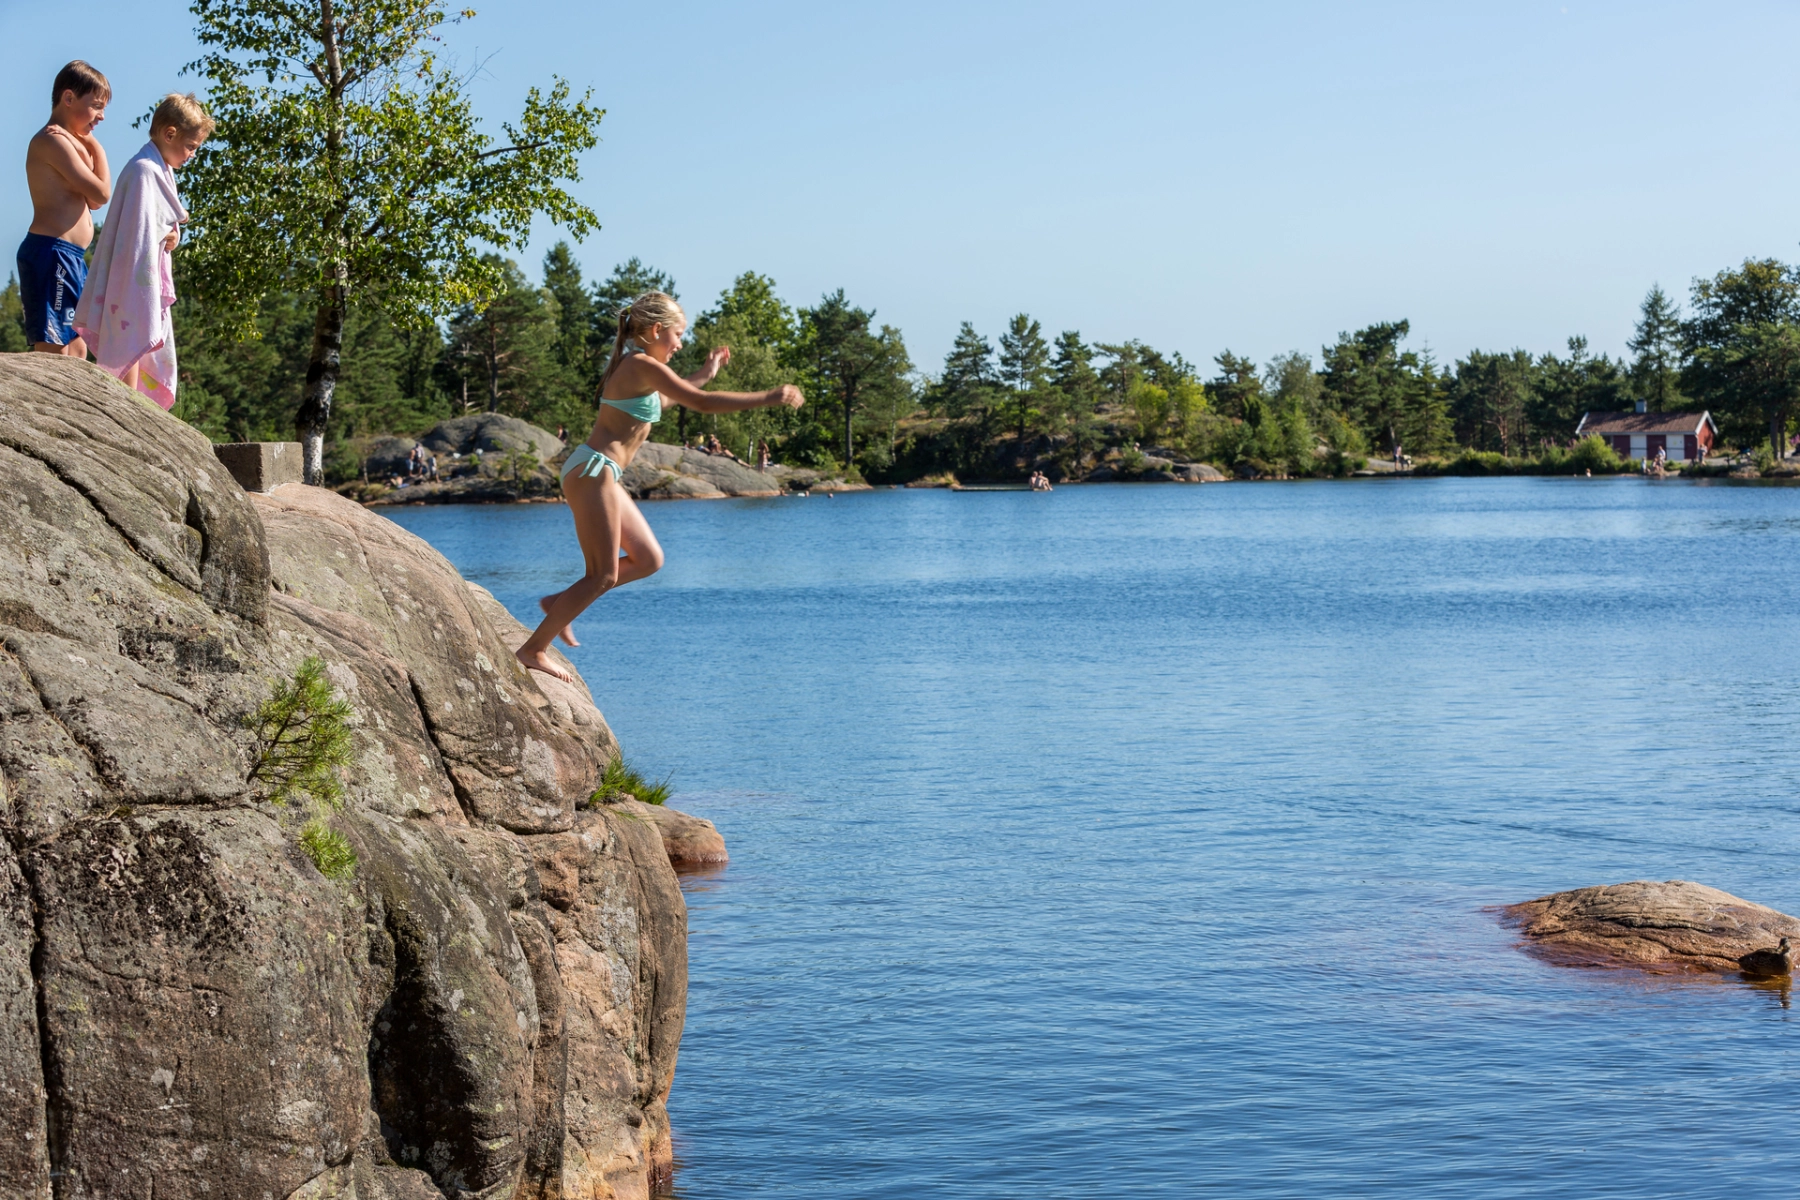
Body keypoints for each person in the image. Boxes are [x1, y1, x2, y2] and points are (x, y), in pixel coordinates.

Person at [516, 292, 805, 681]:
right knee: (602, 575)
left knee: (649, 559)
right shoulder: (638, 364)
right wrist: (770, 396)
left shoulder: (639, 367)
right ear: (655, 330)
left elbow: (668, 401)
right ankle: (533, 649)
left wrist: (706, 371)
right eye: (678, 334)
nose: (680, 343)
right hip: (593, 471)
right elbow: (700, 403)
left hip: (600, 473)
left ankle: (557, 603)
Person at [75, 93, 210, 408]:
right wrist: (167, 231)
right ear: (170, 134)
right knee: (131, 332)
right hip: (132, 276)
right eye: (190, 147)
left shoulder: (158, 168)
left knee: (133, 333)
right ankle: (128, 408)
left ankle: (133, 407)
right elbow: (138, 231)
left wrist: (170, 233)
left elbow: (156, 223)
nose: (191, 155)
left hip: (138, 272)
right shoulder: (144, 171)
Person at [19, 62, 112, 359]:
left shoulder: (74, 143)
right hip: (51, 253)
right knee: (56, 349)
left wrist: (91, 146)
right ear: (68, 98)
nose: (101, 116)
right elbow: (102, 192)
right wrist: (97, 147)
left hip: (71, 257)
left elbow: (95, 202)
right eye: (96, 106)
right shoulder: (52, 140)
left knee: (78, 347)